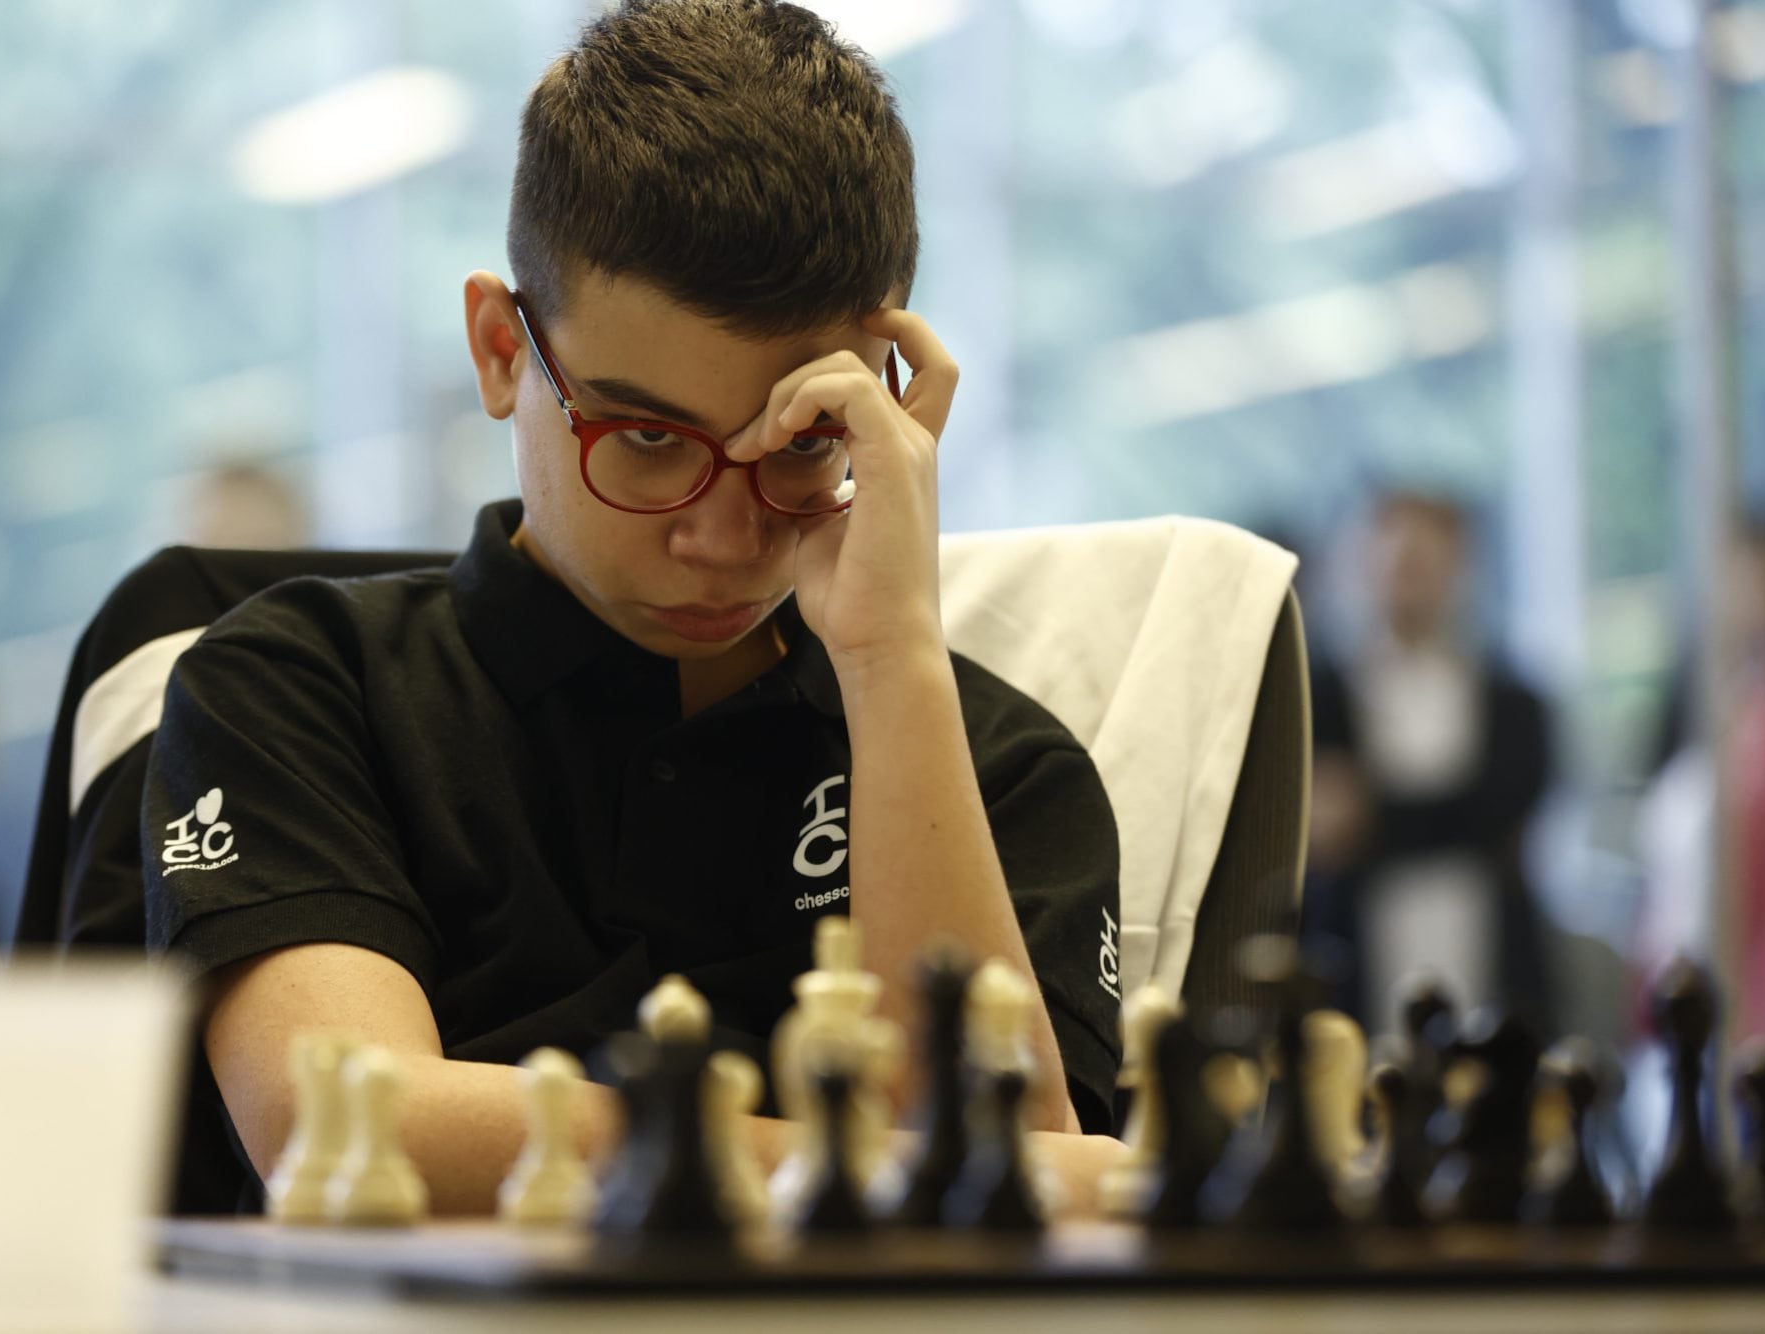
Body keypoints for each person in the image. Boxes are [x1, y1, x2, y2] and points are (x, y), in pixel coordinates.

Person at [141, 0, 1124, 1216]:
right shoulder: (297, 689)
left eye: (800, 440)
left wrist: (887, 662)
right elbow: (342, 1127)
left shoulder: (998, 764)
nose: (722, 536)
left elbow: (1020, 1204)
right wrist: (882, 1163)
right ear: (501, 350)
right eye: (648, 438)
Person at [1301, 489, 1554, 1031]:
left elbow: (1503, 809)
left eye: (1425, 559)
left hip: (1484, 941)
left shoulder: (1512, 699)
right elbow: (1317, 830)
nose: (1406, 574)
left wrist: (1372, 817)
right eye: (1394, 557)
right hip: (1362, 951)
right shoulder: (1315, 695)